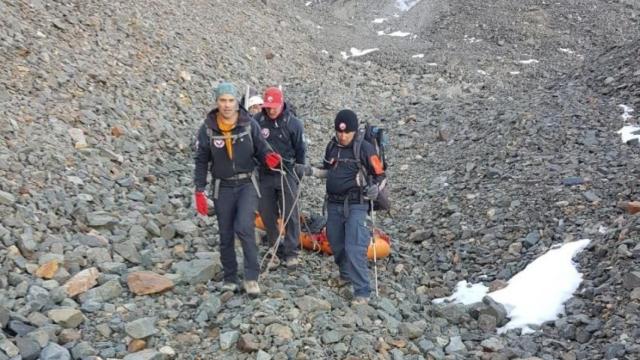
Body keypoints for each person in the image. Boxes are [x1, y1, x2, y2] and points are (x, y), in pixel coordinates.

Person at [193, 82, 282, 296]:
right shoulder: (207, 129)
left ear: (236, 102)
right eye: (222, 100)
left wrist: (270, 158)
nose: (227, 105)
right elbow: (201, 160)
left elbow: (262, 148)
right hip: (222, 186)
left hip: (246, 184)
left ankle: (251, 277)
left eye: (231, 100)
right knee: (225, 234)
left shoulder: (249, 124)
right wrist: (199, 189)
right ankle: (230, 277)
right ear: (216, 102)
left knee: (244, 227)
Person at [297, 109, 385, 305]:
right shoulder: (332, 146)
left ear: (354, 130)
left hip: (356, 203)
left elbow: (381, 176)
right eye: (339, 131)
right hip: (334, 203)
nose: (343, 136)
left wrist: (374, 189)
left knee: (354, 246)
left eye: (347, 132)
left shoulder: (365, 149)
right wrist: (309, 171)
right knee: (336, 242)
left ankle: (362, 291)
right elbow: (327, 171)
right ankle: (345, 275)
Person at [255, 87, 306, 268]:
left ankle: (292, 251)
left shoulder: (294, 124)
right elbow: (252, 147)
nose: (271, 110)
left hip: (287, 173)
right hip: (265, 174)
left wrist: (298, 172)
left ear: (281, 103)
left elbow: (301, 150)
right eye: (268, 106)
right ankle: (274, 249)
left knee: (290, 212)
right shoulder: (257, 122)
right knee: (267, 213)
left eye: (274, 106)